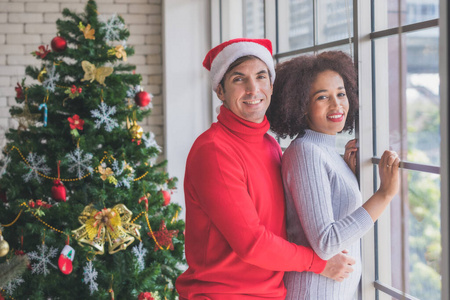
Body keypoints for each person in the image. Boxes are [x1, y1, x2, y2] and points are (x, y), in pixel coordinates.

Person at [175, 39, 356, 299]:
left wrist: (345, 169)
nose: (253, 89)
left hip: (271, 293)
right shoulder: (214, 151)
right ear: (220, 91)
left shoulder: (269, 144)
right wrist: (321, 264)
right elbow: (253, 244)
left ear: (271, 86)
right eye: (239, 79)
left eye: (261, 77)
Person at [266, 51, 400, 300]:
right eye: (322, 97)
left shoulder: (325, 150)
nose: (337, 104)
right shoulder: (306, 152)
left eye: (340, 93)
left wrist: (348, 178)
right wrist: (384, 194)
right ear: (301, 106)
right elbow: (326, 243)